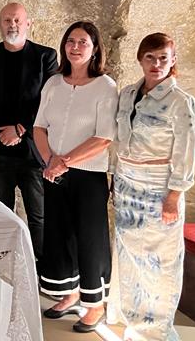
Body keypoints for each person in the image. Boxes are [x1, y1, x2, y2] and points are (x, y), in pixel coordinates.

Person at [113, 33, 195, 341]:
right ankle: (132, 321)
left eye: (163, 57)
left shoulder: (181, 102)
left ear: (173, 61)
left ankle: (158, 331)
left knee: (160, 262)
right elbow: (121, 140)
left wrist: (174, 196)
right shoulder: (126, 94)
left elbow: (186, 153)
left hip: (159, 190)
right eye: (150, 57)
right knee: (130, 258)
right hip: (126, 187)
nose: (156, 63)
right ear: (140, 60)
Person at [34, 21, 118, 332]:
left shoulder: (105, 86)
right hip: (53, 171)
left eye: (83, 42)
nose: (76, 47)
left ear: (95, 48)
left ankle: (94, 305)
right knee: (59, 234)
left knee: (90, 239)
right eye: (71, 41)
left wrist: (64, 161)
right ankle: (67, 293)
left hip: (88, 175)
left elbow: (104, 137)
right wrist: (49, 161)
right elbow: (39, 127)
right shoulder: (54, 83)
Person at [0, 3, 58, 265]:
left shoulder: (46, 57)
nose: (13, 25)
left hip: (34, 150)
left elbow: (49, 100)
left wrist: (21, 128)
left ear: (28, 23)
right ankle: (4, 265)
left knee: (39, 214)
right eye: (7, 20)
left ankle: (40, 268)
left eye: (17, 20)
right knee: (1, 212)